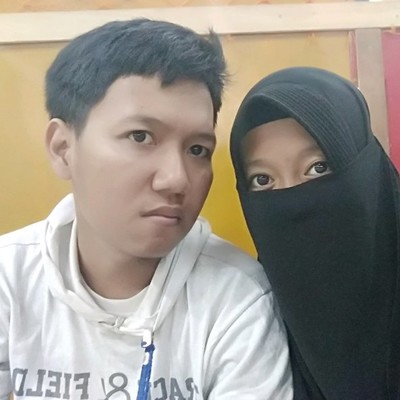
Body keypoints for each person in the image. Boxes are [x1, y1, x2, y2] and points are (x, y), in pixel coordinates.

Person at [0, 18, 293, 400]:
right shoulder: (10, 278)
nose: (176, 179)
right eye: (140, 136)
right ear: (63, 148)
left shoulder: (238, 298)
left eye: (198, 149)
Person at [230, 66, 400, 400]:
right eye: (263, 180)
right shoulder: (247, 323)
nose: (293, 199)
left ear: (365, 171)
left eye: (318, 168)